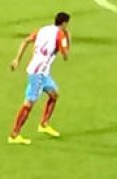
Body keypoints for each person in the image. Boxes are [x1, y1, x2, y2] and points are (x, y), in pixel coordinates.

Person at [7, 12, 70, 144]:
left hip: (43, 72)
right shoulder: (61, 35)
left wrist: (17, 59)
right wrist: (67, 39)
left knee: (54, 94)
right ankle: (14, 135)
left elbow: (26, 40)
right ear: (64, 24)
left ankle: (44, 124)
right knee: (28, 104)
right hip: (38, 73)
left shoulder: (43, 29)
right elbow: (65, 56)